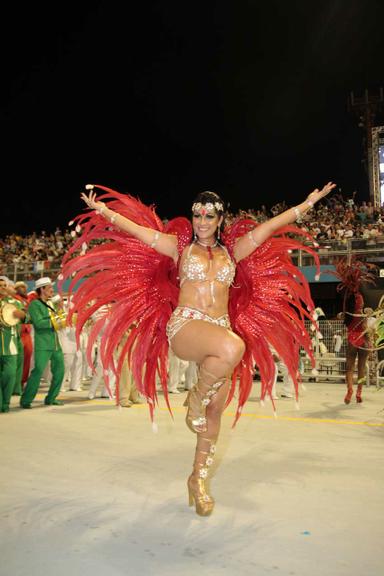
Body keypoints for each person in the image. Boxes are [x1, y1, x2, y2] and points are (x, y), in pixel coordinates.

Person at [62, 180, 335, 516]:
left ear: (220, 219)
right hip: (186, 326)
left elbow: (267, 228)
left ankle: (198, 479)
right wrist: (104, 211)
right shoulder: (179, 248)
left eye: (209, 216)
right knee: (234, 348)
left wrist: (306, 204)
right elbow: (139, 232)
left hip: (219, 332)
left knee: (214, 413)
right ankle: (194, 397)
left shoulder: (233, 252)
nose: (202, 221)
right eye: (197, 215)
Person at [332, 258, 377, 404]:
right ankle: (359, 392)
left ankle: (349, 390)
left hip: (352, 338)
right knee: (361, 367)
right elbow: (368, 313)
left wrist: (341, 315)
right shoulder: (363, 301)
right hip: (363, 337)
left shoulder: (348, 303)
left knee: (350, 368)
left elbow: (343, 316)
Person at [20, 277, 65, 408]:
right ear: (42, 289)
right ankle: (26, 400)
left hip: (56, 343)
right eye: (49, 287)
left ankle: (51, 398)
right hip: (43, 344)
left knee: (60, 372)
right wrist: (56, 321)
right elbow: (39, 323)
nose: (52, 290)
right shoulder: (35, 305)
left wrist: (61, 310)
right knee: (38, 371)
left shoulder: (52, 303)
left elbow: (60, 319)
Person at [0, 277, 26, 412]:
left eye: (5, 285)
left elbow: (27, 318)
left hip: (10, 344)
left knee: (10, 374)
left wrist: (22, 314)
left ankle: (6, 402)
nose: (3, 287)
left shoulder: (15, 303)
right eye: (0, 285)